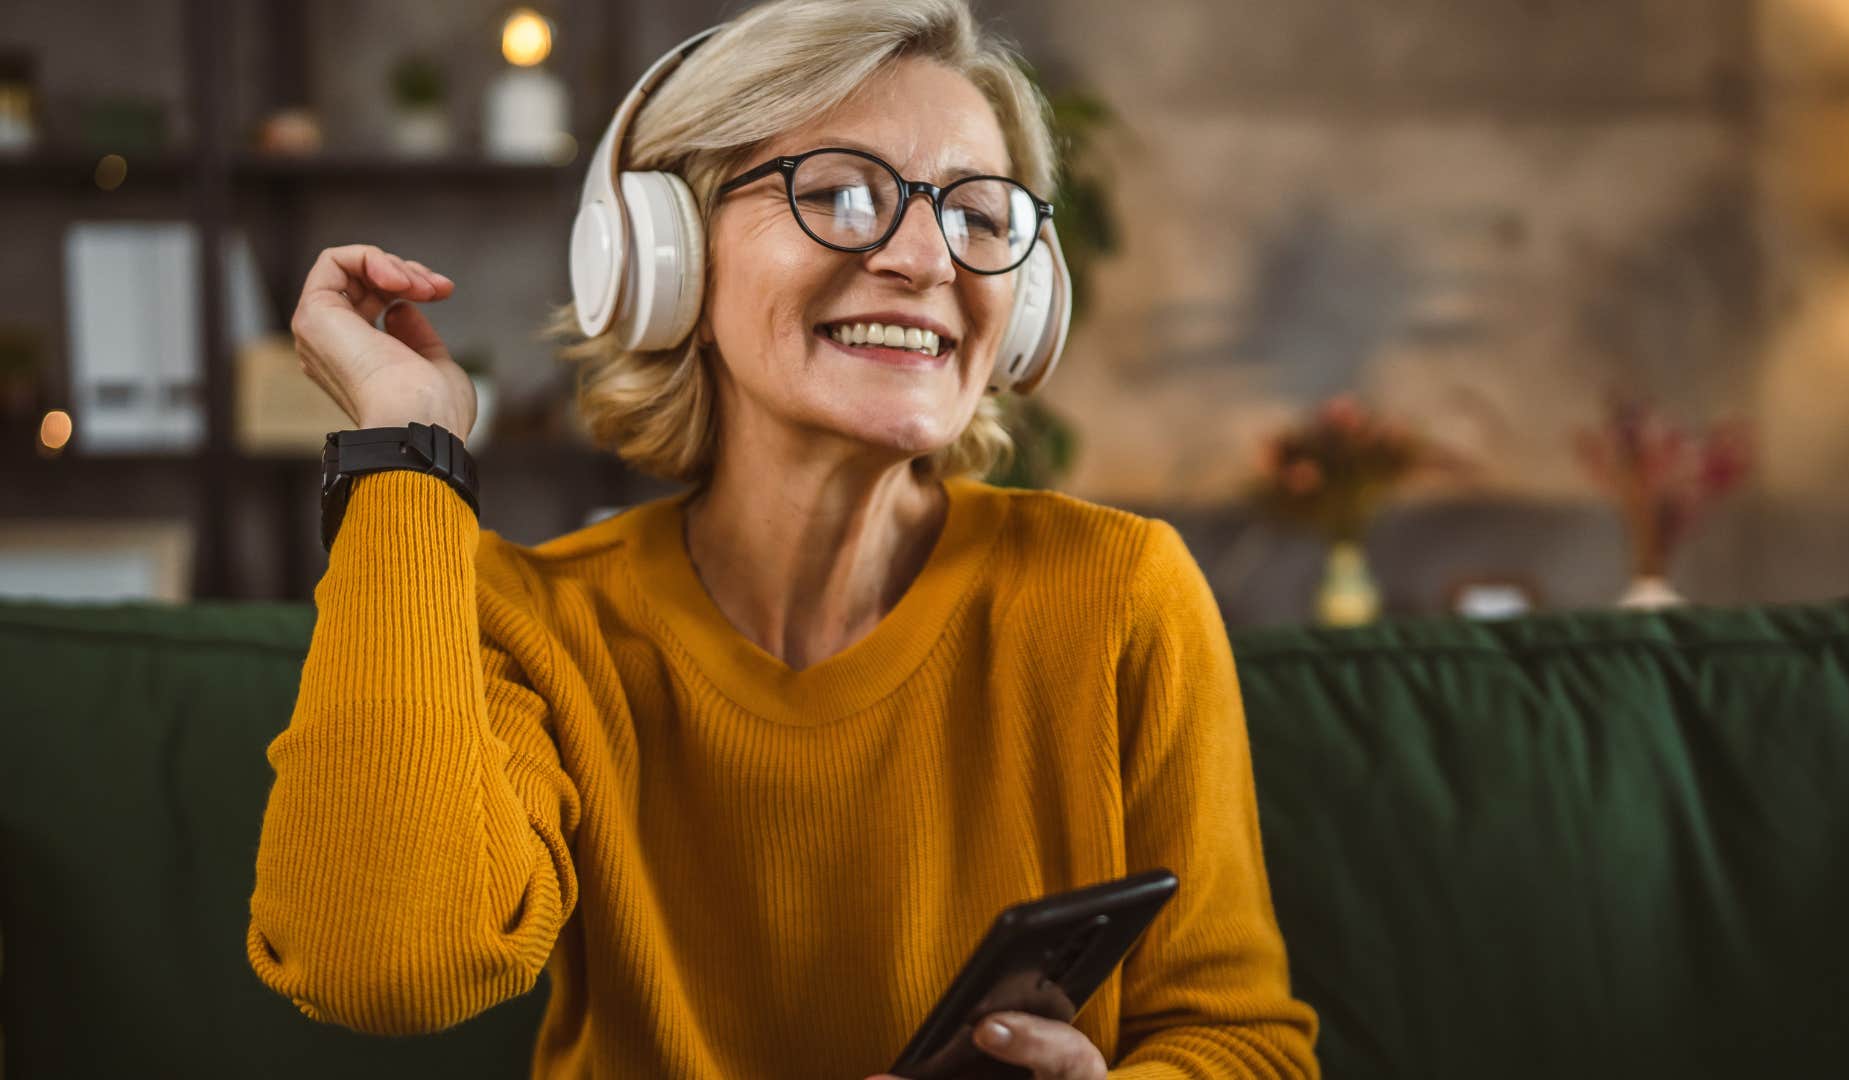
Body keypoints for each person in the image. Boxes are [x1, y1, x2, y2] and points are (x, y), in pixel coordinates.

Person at [246, 0, 1321, 1076]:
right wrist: (405, 449)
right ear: (663, 254)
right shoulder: (537, 625)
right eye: (842, 196)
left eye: (980, 217)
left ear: (1027, 294)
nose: (926, 259)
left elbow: (1242, 1042)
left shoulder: (1118, 593)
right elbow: (379, 966)